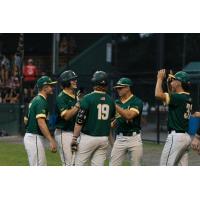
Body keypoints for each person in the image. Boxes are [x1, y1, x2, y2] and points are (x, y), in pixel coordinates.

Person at [71, 71, 115, 166]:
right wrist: (112, 143)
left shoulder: (87, 98)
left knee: (78, 165)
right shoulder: (111, 100)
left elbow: (79, 121)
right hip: (103, 139)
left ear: (94, 83)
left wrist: (74, 138)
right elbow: (110, 124)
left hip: (88, 138)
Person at [155, 69, 192, 166]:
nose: (172, 81)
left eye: (174, 80)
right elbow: (171, 96)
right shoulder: (187, 97)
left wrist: (159, 79)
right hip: (185, 137)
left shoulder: (178, 98)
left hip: (176, 138)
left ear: (179, 83)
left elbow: (158, 95)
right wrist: (169, 83)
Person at [24, 76, 57, 166]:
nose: (52, 87)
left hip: (33, 137)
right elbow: (41, 123)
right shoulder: (40, 101)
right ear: (44, 87)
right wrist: (51, 140)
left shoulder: (36, 100)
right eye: (50, 85)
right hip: (34, 137)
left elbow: (25, 120)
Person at [109, 78, 143, 166]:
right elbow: (115, 120)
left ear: (127, 88)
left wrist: (114, 105)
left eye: (120, 88)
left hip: (134, 139)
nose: (118, 90)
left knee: (136, 166)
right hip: (119, 138)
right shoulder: (117, 102)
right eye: (117, 88)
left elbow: (129, 116)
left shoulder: (136, 101)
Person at [54, 70, 80, 166]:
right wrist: (78, 105)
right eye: (72, 80)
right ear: (66, 82)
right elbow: (66, 116)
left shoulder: (76, 96)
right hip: (64, 133)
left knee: (76, 163)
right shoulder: (61, 97)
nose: (75, 81)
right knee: (68, 164)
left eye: (75, 79)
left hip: (74, 133)